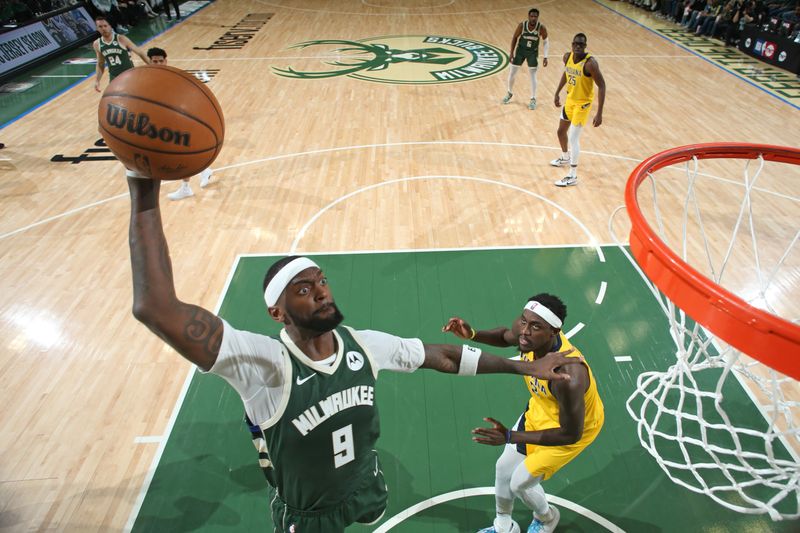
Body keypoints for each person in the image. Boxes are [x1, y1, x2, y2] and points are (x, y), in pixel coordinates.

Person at [124, 170, 585, 533]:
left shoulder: (363, 345)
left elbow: (443, 355)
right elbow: (155, 307)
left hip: (365, 482)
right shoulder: (263, 365)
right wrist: (142, 186)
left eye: (322, 281)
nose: (321, 292)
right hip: (308, 512)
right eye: (304, 290)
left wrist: (522, 367)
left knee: (370, 513)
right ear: (278, 313)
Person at [443, 294, 604, 533]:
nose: (525, 331)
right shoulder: (530, 338)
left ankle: (547, 518)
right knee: (503, 469)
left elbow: (570, 433)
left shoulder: (568, 376)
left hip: (571, 431)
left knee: (520, 483)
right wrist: (473, 334)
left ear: (554, 332)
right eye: (524, 321)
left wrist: (510, 436)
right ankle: (504, 527)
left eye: (536, 326)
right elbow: (505, 335)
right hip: (540, 412)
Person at [146, 47, 214, 200]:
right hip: (163, 121)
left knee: (182, 155)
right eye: (154, 61)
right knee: (184, 155)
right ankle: (204, 171)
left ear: (166, 61)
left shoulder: (174, 77)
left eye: (160, 61)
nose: (158, 63)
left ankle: (186, 187)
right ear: (149, 61)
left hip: (179, 120)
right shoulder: (148, 77)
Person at [550, 33, 606, 188]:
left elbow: (602, 85)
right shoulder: (567, 57)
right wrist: (557, 92)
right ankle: (565, 157)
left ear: (585, 46)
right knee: (560, 132)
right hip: (570, 100)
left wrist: (599, 112)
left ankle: (572, 175)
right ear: (572, 44)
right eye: (576, 44)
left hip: (582, 104)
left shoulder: (590, 64)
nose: (578, 46)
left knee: (573, 138)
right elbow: (567, 73)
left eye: (581, 44)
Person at [502, 8, 549, 110]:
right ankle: (509, 92)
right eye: (531, 16)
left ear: (537, 17)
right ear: (528, 16)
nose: (533, 18)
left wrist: (545, 56)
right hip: (520, 51)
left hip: (532, 53)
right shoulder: (522, 26)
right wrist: (511, 53)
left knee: (533, 75)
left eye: (535, 16)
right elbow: (514, 38)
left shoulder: (541, 28)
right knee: (512, 73)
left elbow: (546, 41)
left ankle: (533, 99)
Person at [93, 15, 149, 92]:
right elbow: (100, 64)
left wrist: (154, 66)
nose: (103, 28)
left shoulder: (121, 38)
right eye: (100, 26)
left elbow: (140, 53)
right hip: (114, 78)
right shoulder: (97, 44)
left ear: (110, 26)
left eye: (105, 26)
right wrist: (97, 81)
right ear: (97, 28)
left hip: (129, 74)